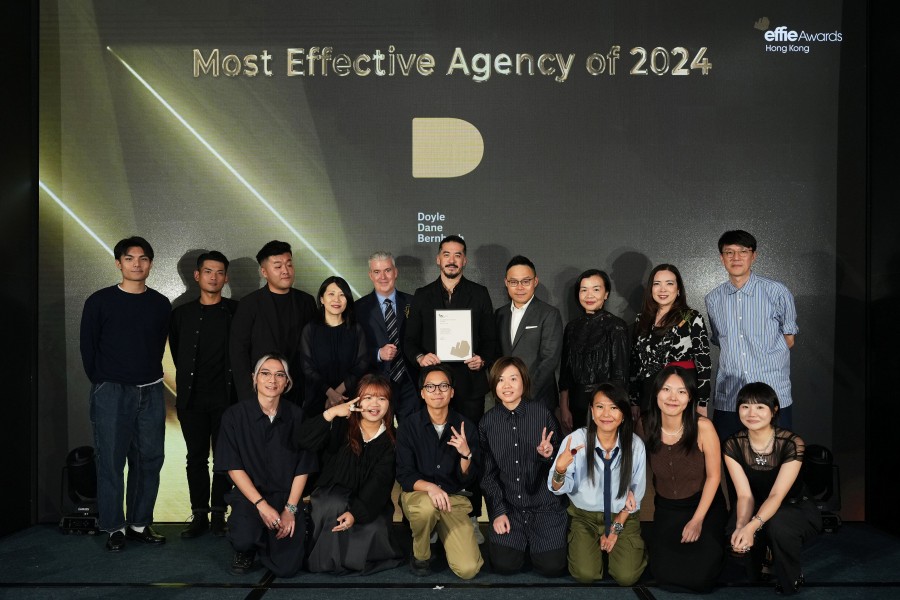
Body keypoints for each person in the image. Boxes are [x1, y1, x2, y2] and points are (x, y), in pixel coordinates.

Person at [79, 236, 171, 552]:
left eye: (143, 258)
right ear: (119, 263)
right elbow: (88, 348)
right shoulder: (99, 301)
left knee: (150, 459)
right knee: (111, 461)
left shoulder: (160, 304)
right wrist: (105, 381)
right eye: (130, 258)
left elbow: (158, 344)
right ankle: (114, 527)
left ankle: (139, 524)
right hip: (112, 390)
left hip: (151, 389)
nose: (136, 264)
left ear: (151, 264)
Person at [404, 234, 498, 541]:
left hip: (469, 387)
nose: (452, 260)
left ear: (465, 260)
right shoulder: (422, 295)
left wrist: (482, 358)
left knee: (470, 450)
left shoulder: (479, 294)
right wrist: (420, 357)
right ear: (438, 259)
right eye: (447, 254)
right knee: (433, 448)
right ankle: (433, 516)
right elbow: (409, 341)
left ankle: (470, 515)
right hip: (434, 388)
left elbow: (491, 340)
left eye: (458, 255)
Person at [214, 354, 316, 577]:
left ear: (287, 382)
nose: (272, 380)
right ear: (254, 378)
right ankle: (248, 547)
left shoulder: (297, 416)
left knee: (288, 568)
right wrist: (262, 506)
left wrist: (290, 510)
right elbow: (233, 467)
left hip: (285, 497)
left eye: (280, 375)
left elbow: (303, 467)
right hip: (250, 497)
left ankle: (275, 537)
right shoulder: (234, 416)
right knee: (244, 537)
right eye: (266, 373)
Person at [295, 374, 404, 575]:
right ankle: (325, 561)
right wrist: (331, 413)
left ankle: (351, 560)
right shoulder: (341, 424)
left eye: (381, 398)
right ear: (358, 400)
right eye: (368, 397)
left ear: (389, 404)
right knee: (332, 505)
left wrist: (356, 513)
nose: (374, 404)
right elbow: (303, 440)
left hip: (371, 499)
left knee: (374, 528)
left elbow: (380, 482)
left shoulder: (393, 440)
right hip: (333, 490)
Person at [723, 382, 821, 595]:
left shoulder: (792, 443)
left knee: (777, 526)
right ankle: (761, 562)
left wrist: (751, 527)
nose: (751, 413)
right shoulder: (733, 444)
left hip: (793, 507)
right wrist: (741, 526)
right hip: (756, 504)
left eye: (760, 407)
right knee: (735, 534)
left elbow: (777, 495)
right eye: (745, 406)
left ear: (774, 410)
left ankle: (792, 576)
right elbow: (744, 495)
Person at [169, 250, 238, 538]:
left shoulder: (236, 311)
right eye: (208, 271)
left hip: (227, 399)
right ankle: (199, 514)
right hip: (192, 399)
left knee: (225, 458)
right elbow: (177, 353)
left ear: (226, 278)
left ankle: (219, 514)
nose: (214, 277)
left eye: (220, 272)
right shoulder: (181, 314)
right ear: (197, 275)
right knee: (195, 457)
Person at [549, 383, 646, 586]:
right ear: (592, 411)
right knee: (585, 575)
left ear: (623, 414)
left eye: (614, 407)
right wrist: (560, 468)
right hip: (585, 517)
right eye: (600, 407)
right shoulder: (575, 441)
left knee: (626, 577)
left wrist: (616, 529)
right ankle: (594, 550)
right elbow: (557, 488)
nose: (606, 414)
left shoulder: (635, 445)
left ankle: (621, 550)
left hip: (622, 516)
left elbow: (636, 495)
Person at [705, 230, 799, 440]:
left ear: (753, 255)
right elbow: (721, 340)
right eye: (729, 252)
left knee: (776, 452)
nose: (736, 258)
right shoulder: (713, 299)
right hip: (730, 394)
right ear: (721, 258)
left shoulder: (777, 292)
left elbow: (789, 339)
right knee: (730, 453)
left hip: (772, 392)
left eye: (743, 251)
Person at [479, 357, 567, 577]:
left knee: (552, 567)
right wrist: (498, 511)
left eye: (513, 378)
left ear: (524, 382)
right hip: (510, 508)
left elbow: (563, 461)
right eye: (500, 380)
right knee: (504, 565)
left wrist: (549, 455)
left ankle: (536, 545)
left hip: (544, 506)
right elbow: (488, 474)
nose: (506, 385)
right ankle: (523, 545)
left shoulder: (542, 413)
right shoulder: (487, 423)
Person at [643, 365, 727, 593]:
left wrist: (697, 520)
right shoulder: (646, 425)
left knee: (700, 579)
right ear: (656, 393)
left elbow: (714, 477)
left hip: (703, 506)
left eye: (681, 392)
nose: (673, 398)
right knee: (662, 575)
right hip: (668, 508)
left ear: (690, 398)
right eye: (666, 389)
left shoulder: (703, 427)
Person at [396, 365, 484, 580]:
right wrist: (431, 488)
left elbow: (470, 478)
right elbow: (404, 474)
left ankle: (440, 532)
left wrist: (465, 454)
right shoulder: (409, 426)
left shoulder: (466, 426)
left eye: (443, 386)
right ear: (422, 393)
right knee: (426, 508)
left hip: (453, 499)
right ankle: (421, 555)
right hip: (419, 496)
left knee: (468, 569)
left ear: (452, 392)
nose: (437, 391)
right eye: (430, 387)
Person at [230, 240, 317, 405]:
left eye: (289, 264)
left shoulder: (306, 301)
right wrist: (249, 397)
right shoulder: (249, 304)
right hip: (261, 394)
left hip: (299, 394)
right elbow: (238, 353)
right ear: (264, 272)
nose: (285, 271)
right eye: (278, 266)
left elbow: (314, 347)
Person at [630, 264, 712, 422]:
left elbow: (704, 364)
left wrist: (702, 402)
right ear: (651, 289)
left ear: (678, 289)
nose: (663, 289)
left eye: (669, 283)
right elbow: (635, 364)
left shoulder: (691, 317)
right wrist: (634, 400)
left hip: (680, 394)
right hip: (649, 392)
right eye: (657, 284)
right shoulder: (642, 319)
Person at [559, 269, 629, 432]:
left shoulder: (617, 326)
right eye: (584, 290)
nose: (589, 295)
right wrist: (564, 407)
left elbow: (620, 375)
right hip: (576, 405)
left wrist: (610, 409)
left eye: (596, 289)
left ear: (606, 294)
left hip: (606, 406)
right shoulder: (571, 327)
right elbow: (565, 372)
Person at [354, 251, 419, 421]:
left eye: (387, 270)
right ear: (370, 275)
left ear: (395, 272)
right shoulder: (358, 308)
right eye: (377, 272)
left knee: (411, 432)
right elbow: (352, 349)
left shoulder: (414, 302)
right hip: (375, 385)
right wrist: (377, 353)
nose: (383, 277)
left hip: (410, 383)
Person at [494, 256, 564, 411]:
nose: (520, 287)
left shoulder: (549, 313)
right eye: (514, 282)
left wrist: (524, 392)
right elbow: (496, 356)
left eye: (526, 281)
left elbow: (550, 359)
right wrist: (504, 391)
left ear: (535, 281)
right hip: (504, 399)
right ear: (506, 283)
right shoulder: (499, 314)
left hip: (538, 399)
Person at [299, 276, 370, 418]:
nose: (336, 299)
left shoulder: (356, 329)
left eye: (342, 295)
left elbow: (362, 364)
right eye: (331, 294)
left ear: (347, 300)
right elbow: (307, 368)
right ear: (321, 299)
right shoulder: (310, 330)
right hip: (317, 398)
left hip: (349, 399)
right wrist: (329, 393)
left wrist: (337, 394)